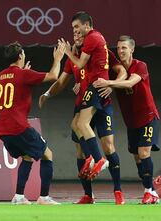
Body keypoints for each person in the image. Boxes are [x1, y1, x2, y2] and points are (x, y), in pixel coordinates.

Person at [39, 34, 126, 204]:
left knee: (108, 146)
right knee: (80, 151)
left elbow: (121, 71)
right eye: (74, 34)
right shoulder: (72, 59)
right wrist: (48, 93)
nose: (77, 37)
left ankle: (118, 191)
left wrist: (112, 84)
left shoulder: (100, 51)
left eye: (79, 33)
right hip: (82, 104)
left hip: (101, 103)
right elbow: (61, 82)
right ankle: (88, 194)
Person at [0, 41, 64, 205]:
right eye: (23, 53)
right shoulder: (23, 74)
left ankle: (19, 196)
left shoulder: (2, 75)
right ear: (20, 56)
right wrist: (58, 59)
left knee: (27, 157)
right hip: (18, 126)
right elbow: (53, 76)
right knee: (48, 154)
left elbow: (15, 87)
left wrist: (23, 71)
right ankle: (44, 197)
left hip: (3, 128)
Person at [93, 35, 160, 204]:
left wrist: (109, 83)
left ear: (132, 49)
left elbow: (130, 83)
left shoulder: (140, 66)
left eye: (124, 48)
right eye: (118, 48)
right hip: (131, 122)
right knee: (137, 158)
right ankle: (152, 190)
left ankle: (148, 192)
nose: (120, 51)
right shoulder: (115, 71)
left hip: (148, 117)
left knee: (144, 153)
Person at [59, 11, 111, 180]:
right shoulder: (95, 38)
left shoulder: (92, 38)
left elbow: (80, 63)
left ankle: (99, 159)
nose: (75, 31)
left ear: (87, 25)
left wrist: (68, 52)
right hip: (92, 85)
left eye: (77, 27)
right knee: (75, 123)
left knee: (82, 122)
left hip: (96, 85)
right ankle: (89, 157)